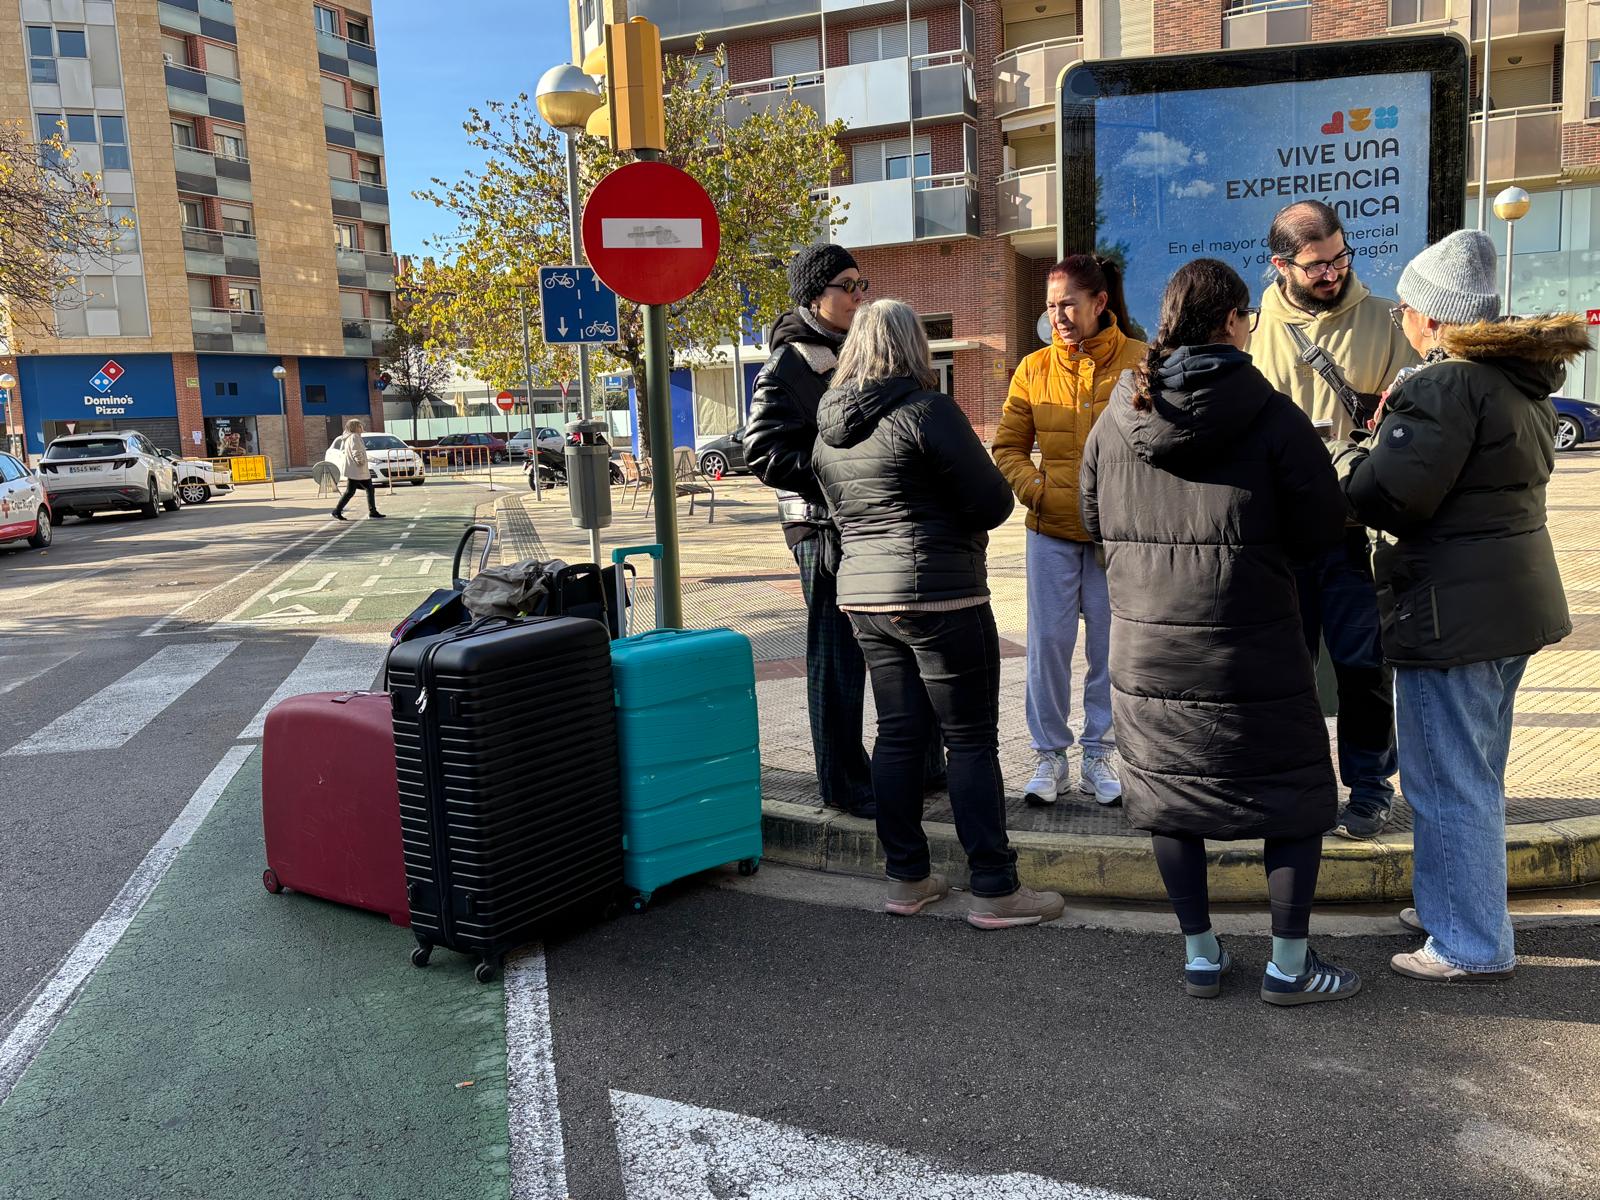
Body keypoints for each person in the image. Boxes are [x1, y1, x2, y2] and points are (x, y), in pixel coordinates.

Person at [1081, 259, 1360, 1005]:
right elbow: (1322, 529)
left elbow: (1091, 519)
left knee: (1171, 795)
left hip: (1147, 648)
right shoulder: (1272, 416)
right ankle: (1289, 968)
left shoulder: (1119, 415)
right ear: (1235, 322)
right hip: (1253, 645)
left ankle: (1202, 956)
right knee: (1295, 797)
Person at [1339, 231, 1580, 983]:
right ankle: (1452, 904)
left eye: (1408, 308)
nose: (1402, 319)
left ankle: (1471, 943)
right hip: (1510, 606)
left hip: (1452, 612)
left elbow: (1389, 496)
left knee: (1447, 780)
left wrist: (1354, 454)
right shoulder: (1517, 382)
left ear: (1433, 318)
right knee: (1474, 771)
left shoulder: (1443, 385)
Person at [812, 299, 1065, 929]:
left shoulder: (828, 429)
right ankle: (995, 888)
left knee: (898, 733)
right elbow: (990, 501)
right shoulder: (927, 411)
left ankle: (908, 878)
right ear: (912, 348)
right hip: (939, 595)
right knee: (971, 739)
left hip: (864, 598)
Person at [747, 243, 943, 819]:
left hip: (870, 524)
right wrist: (838, 479)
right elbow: (762, 451)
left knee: (905, 644)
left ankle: (925, 766)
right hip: (821, 529)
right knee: (836, 658)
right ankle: (843, 783)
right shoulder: (790, 361)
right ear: (815, 296)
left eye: (863, 284)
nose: (862, 295)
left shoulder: (854, 353)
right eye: (849, 286)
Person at [1253, 200, 1418, 840]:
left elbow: (1410, 424)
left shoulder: (1384, 322)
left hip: (1354, 535)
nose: (1332, 273)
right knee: (1288, 669)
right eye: (1317, 264)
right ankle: (1299, 784)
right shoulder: (1253, 329)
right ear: (1282, 265)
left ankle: (1371, 787)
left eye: (1340, 258)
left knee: (1362, 665)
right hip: (1282, 536)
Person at [993, 254, 1145, 808]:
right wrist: (1036, 491)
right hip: (1050, 532)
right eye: (1050, 306)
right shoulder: (1033, 368)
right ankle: (1049, 755)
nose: (1057, 315)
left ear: (1099, 303)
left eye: (1067, 305)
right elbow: (1007, 447)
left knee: (1110, 651)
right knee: (1049, 648)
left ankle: (1100, 752)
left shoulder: (1139, 361)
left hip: (1117, 538)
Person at [332, 418, 385, 521]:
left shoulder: (351, 437)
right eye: (360, 426)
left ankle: (372, 511)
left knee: (366, 489)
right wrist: (361, 462)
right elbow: (356, 451)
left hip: (358, 471)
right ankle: (337, 511)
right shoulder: (354, 437)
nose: (362, 428)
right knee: (351, 492)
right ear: (355, 427)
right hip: (357, 470)